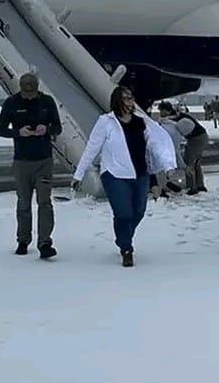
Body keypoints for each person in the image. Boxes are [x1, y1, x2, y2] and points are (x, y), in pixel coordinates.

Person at [73, 86, 176, 267]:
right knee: (124, 213)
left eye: (131, 98)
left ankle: (123, 236)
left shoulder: (141, 122)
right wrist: (79, 174)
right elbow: (92, 148)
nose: (130, 102)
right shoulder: (106, 122)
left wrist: (167, 167)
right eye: (126, 98)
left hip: (140, 175)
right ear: (117, 101)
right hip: (114, 175)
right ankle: (126, 248)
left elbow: (154, 148)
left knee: (138, 212)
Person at [0, 73, 62, 259]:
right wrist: (18, 132)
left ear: (37, 88)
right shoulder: (11, 103)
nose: (29, 96)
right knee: (24, 202)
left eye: (32, 92)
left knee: (44, 202)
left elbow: (57, 127)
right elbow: (1, 130)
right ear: (20, 88)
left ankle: (45, 242)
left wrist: (46, 129)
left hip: (44, 160)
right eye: (26, 92)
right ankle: (23, 239)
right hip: (22, 161)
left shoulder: (47, 102)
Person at [158, 101, 209, 195]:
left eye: (162, 111)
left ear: (168, 110)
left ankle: (192, 187)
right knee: (196, 162)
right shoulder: (178, 115)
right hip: (202, 136)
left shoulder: (176, 119)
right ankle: (199, 185)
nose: (161, 113)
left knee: (189, 162)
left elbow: (167, 121)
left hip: (196, 139)